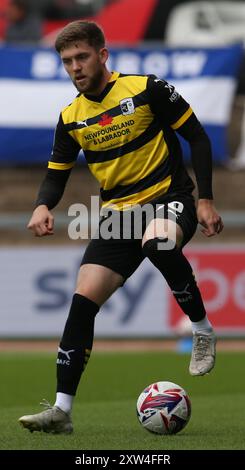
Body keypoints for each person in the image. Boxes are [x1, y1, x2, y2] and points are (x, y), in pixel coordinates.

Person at [18, 20, 223, 434]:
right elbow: (56, 174)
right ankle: (61, 411)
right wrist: (42, 205)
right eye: (67, 61)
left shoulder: (147, 89)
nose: (75, 66)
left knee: (158, 242)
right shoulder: (72, 117)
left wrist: (204, 199)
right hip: (117, 215)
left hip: (169, 197)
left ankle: (201, 329)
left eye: (82, 57)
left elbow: (198, 138)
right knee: (82, 300)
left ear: (102, 54)